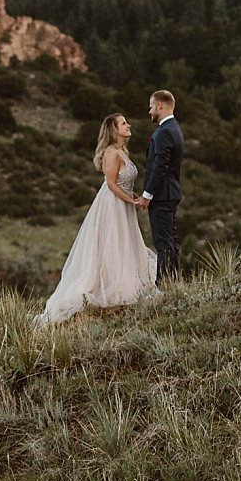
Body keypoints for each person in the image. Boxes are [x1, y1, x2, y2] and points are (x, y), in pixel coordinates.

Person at [35, 113, 156, 326]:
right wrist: (131, 201)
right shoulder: (111, 152)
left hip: (124, 204)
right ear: (113, 130)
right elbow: (111, 184)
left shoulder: (122, 151)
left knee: (124, 244)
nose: (128, 125)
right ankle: (109, 287)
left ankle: (121, 282)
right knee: (112, 243)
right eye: (123, 123)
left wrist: (133, 197)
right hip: (113, 205)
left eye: (127, 121)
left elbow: (122, 182)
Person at [139, 89, 184, 281]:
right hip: (170, 193)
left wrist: (147, 195)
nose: (149, 112)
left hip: (162, 195)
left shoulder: (165, 132)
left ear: (159, 105)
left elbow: (160, 167)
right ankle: (173, 282)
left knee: (163, 242)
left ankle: (164, 284)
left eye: (151, 107)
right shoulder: (174, 128)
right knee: (170, 242)